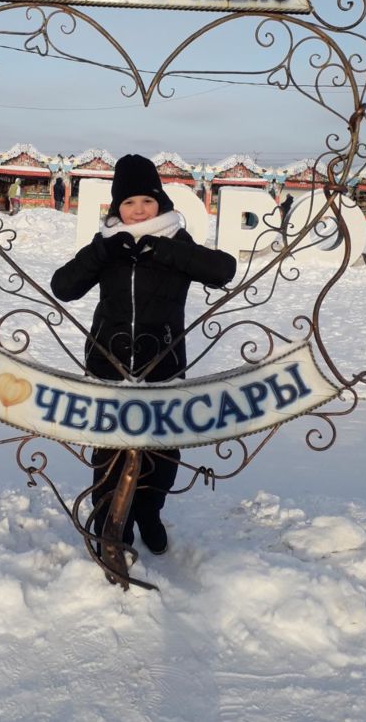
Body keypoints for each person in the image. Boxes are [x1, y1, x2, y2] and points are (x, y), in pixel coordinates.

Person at [51, 154, 236, 557]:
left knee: (161, 453)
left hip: (162, 369)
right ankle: (109, 523)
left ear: (161, 203)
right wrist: (103, 252)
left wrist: (164, 249)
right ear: (117, 207)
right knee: (109, 453)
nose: (138, 210)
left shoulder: (175, 239)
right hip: (108, 367)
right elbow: (63, 287)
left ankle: (148, 513)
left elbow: (224, 270)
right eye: (129, 202)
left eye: (147, 201)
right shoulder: (107, 245)